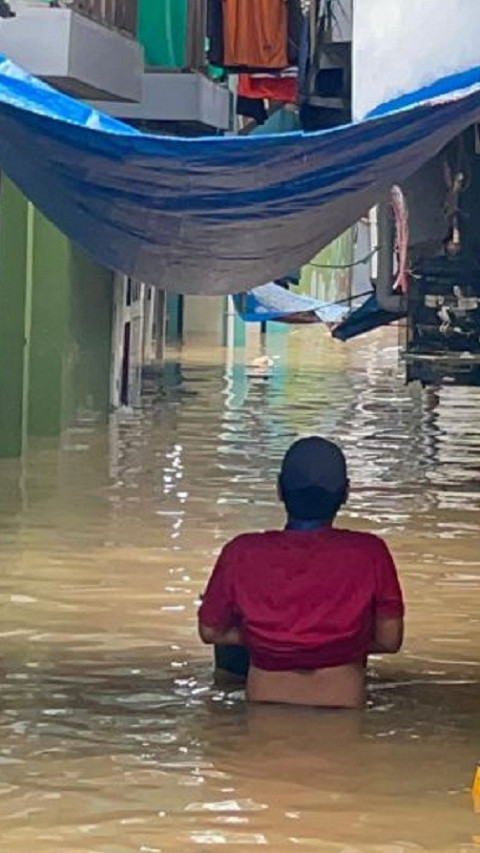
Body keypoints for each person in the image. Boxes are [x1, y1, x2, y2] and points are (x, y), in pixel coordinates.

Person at [198, 436, 404, 708]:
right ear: (345, 493)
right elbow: (390, 640)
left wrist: (262, 637)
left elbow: (210, 631)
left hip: (264, 707)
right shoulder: (370, 553)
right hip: (342, 707)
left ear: (280, 490)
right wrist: (335, 641)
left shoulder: (242, 552)